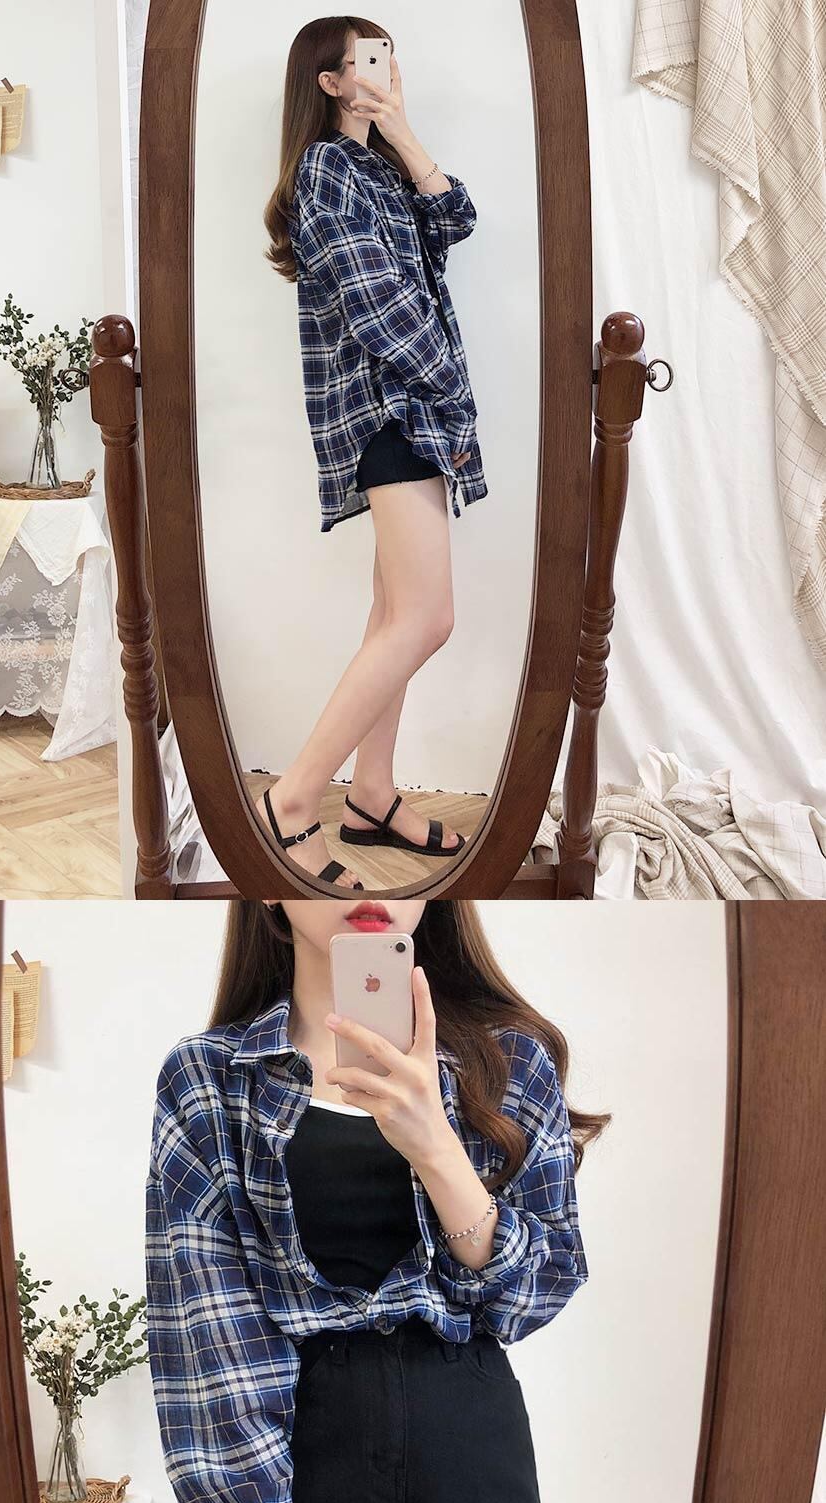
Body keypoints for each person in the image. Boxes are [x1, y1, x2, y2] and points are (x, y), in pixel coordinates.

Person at [145, 895, 608, 1503]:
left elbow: (541, 1288)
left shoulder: (509, 1062)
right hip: (290, 1462)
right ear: (268, 883)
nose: (364, 883)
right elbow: (204, 1350)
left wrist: (437, 1147)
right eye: (323, 854)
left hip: (469, 1448)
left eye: (396, 864)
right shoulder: (211, 1077)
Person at [257, 19, 487, 886]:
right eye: (370, 60)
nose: (389, 70)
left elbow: (457, 218)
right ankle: (293, 801)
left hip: (409, 408)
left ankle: (372, 795)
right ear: (330, 82)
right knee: (426, 619)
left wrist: (402, 129)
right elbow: (377, 309)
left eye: (391, 56)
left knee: (394, 615)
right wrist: (449, 388)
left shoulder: (378, 167)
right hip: (392, 409)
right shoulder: (326, 170)